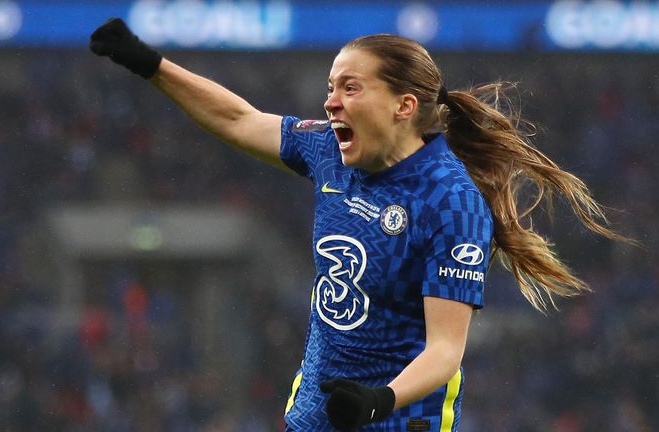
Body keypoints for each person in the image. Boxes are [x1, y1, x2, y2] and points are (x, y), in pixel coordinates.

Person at [90, 18, 630, 431]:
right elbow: (240, 119)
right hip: (317, 408)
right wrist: (150, 65)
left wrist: (379, 401)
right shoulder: (327, 150)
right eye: (330, 87)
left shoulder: (450, 201)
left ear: (403, 105)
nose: (330, 102)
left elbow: (446, 349)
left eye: (350, 88)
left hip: (398, 416)